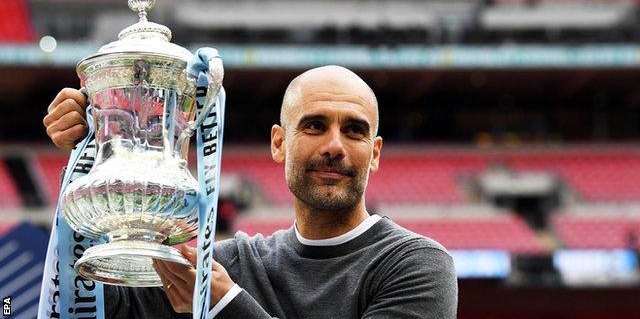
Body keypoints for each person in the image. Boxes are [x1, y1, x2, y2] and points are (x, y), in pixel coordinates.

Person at [43, 65, 458, 318]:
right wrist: (94, 157)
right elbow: (98, 307)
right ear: (278, 143)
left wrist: (224, 305)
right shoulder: (234, 263)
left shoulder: (415, 265)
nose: (335, 145)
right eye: (314, 125)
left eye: (354, 130)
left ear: (375, 153)